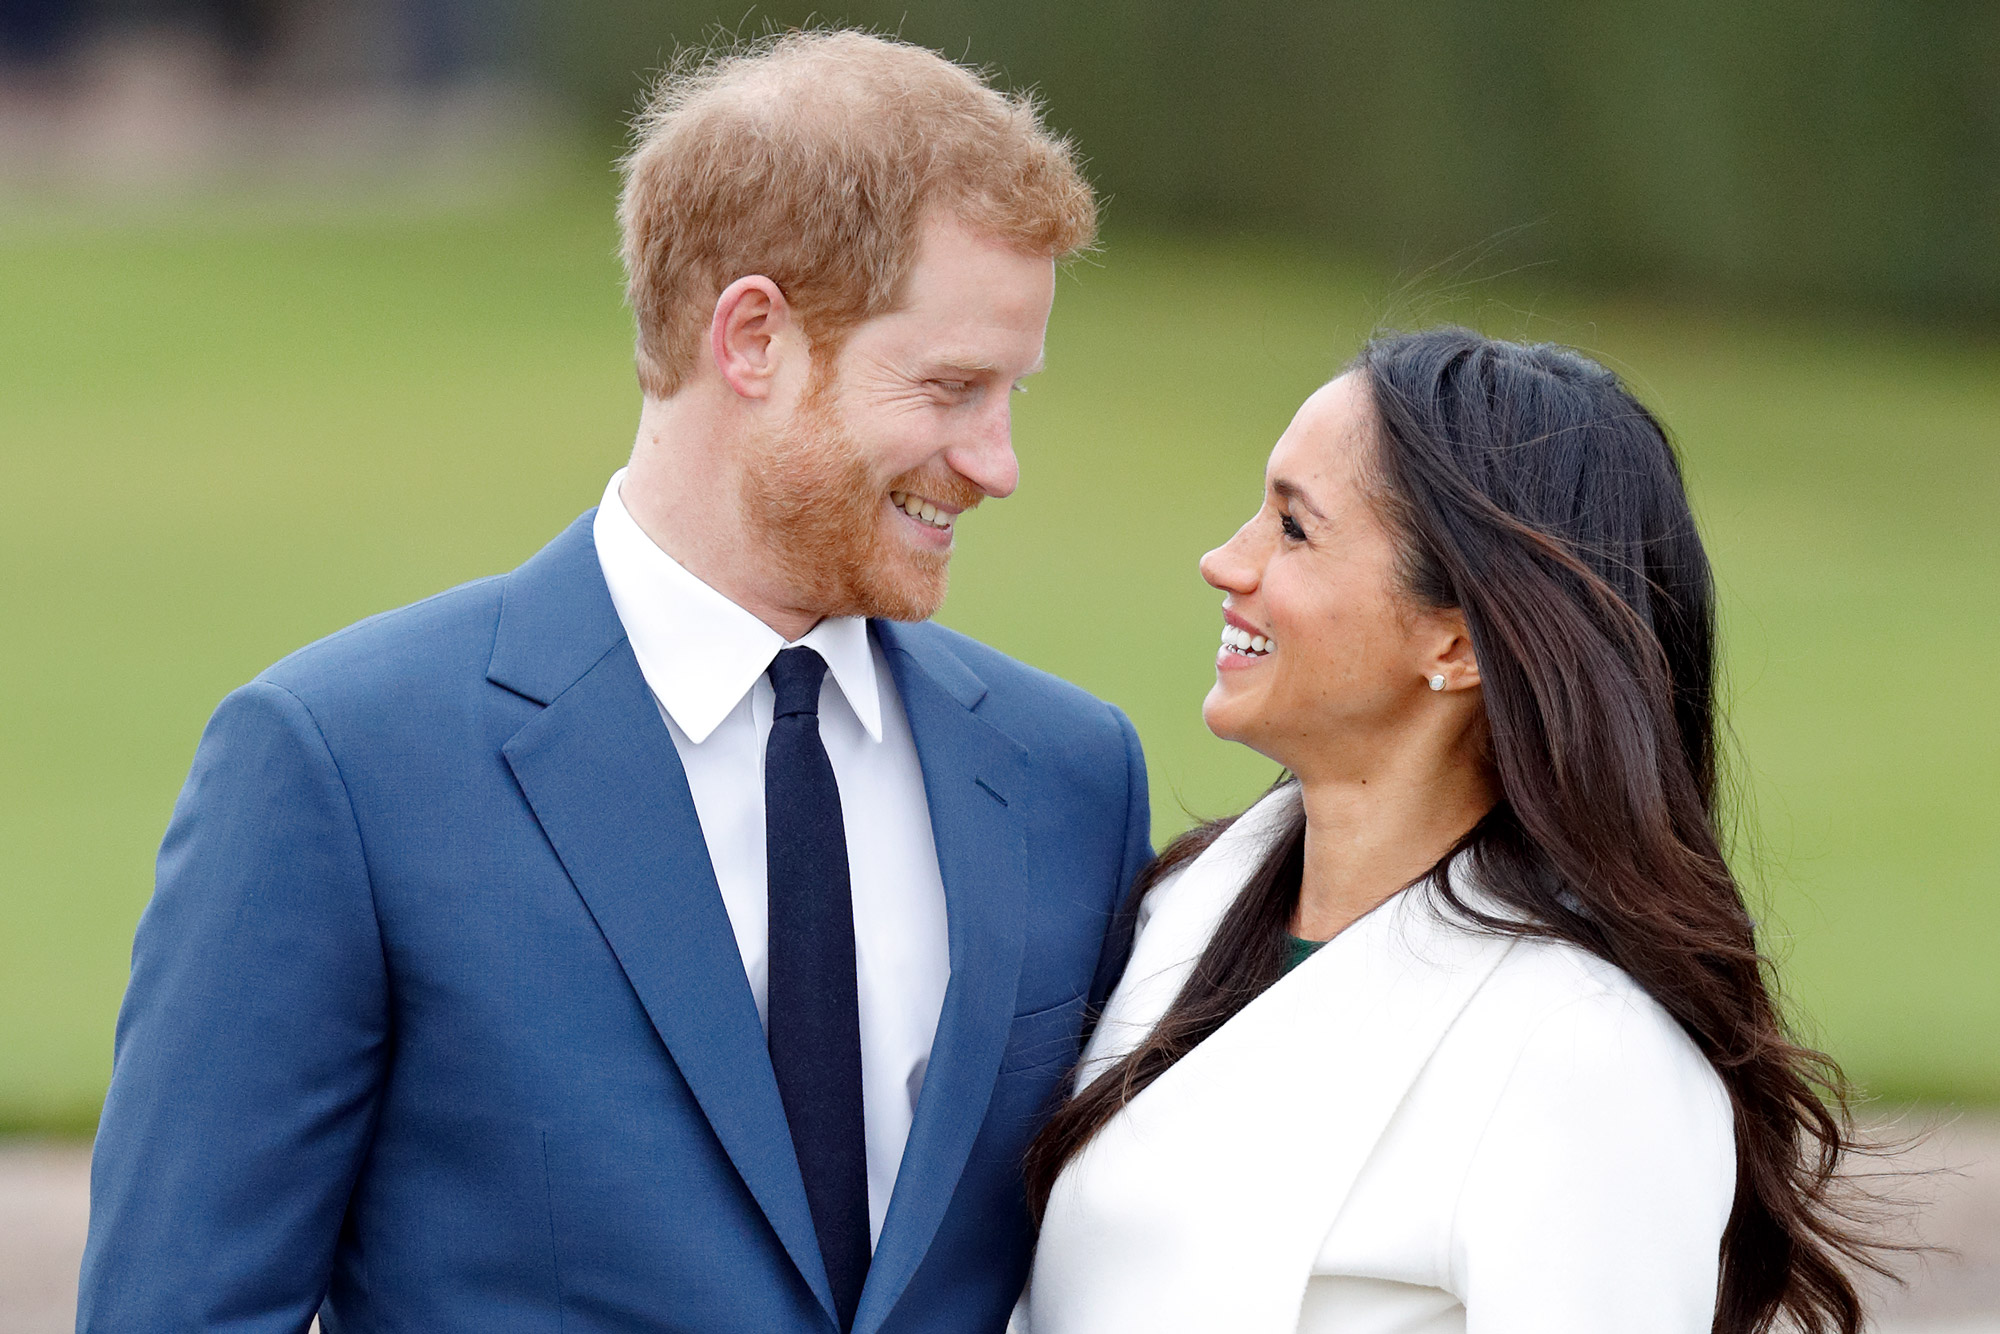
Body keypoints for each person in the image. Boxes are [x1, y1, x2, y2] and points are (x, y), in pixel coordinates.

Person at [80, 31, 1151, 1334]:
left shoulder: (1068, 776)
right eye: (951, 387)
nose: (998, 462)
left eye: (1013, 393)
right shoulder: (343, 765)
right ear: (752, 337)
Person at [1019, 329, 1880, 1334]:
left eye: (1291, 529)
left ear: (1456, 639)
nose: (1224, 559)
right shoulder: (1179, 905)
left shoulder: (1582, 1056)